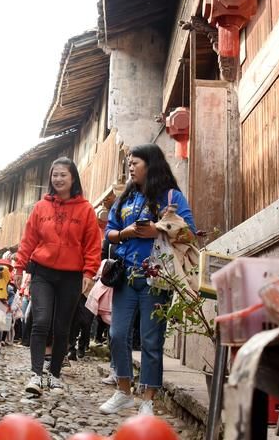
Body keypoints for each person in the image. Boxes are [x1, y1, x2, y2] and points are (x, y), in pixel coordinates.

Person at [98, 143, 196, 417]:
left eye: (135, 163)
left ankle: (148, 400)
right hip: (125, 277)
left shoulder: (171, 195)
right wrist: (126, 232)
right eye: (129, 163)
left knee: (151, 341)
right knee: (117, 335)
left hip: (157, 279)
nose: (130, 167)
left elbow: (188, 233)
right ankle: (124, 392)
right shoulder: (125, 199)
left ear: (150, 166)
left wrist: (158, 230)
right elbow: (109, 233)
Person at [15, 156, 101, 395]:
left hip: (71, 276)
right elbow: (28, 239)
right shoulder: (40, 207)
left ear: (73, 178)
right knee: (40, 321)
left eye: (63, 174)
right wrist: (19, 267)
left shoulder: (85, 209)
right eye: (55, 175)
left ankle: (54, 375)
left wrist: (89, 271)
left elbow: (93, 243)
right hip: (43, 272)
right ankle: (35, 375)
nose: (58, 178)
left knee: (62, 327)